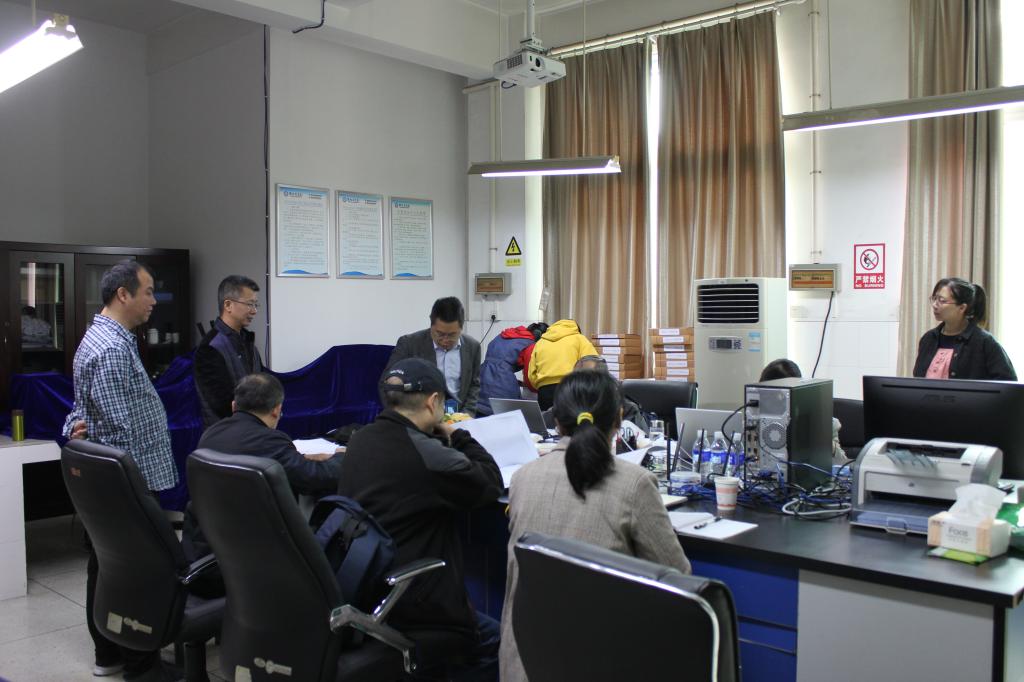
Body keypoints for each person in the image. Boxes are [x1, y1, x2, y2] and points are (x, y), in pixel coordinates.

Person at [498, 369, 691, 682]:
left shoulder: (523, 478)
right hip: (599, 663)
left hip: (522, 663)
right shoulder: (634, 483)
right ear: (618, 419)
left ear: (557, 421)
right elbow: (678, 578)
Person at [338, 358, 503, 679]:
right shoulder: (426, 453)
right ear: (433, 402)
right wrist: (460, 437)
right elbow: (489, 482)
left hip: (367, 584)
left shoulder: (361, 439)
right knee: (495, 640)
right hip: (418, 600)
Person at [61, 260, 179, 680]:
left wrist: (75, 430)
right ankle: (139, 662)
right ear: (123, 294)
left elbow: (81, 413)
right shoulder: (111, 349)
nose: (154, 301)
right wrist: (132, 498)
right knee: (134, 568)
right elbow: (115, 435)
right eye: (148, 292)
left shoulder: (103, 338)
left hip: (111, 483)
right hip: (126, 483)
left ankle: (108, 652)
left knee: (108, 563)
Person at [183, 373, 342, 597]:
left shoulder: (211, 434)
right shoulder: (270, 441)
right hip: (247, 563)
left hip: (205, 550)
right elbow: (316, 478)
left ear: (234, 406)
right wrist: (344, 455)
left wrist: (303, 458)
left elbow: (265, 456)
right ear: (277, 410)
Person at [384, 296, 482, 415]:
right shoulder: (409, 344)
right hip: (418, 415)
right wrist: (401, 416)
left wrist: (466, 415)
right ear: (431, 324)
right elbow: (387, 383)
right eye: (439, 333)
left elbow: (474, 386)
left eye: (452, 335)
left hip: (458, 416)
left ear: (461, 328)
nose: (445, 340)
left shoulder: (473, 347)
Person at [912, 277, 1016, 381]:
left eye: (942, 301)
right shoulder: (928, 339)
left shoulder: (984, 342)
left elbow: (1007, 382)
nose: (935, 305)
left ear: (962, 307)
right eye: (934, 298)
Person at [194, 275, 264, 427]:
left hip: (251, 428)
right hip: (226, 433)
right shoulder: (210, 347)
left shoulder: (248, 341)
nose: (254, 311)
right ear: (228, 305)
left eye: (256, 304)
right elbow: (221, 404)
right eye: (249, 304)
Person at [759, 359, 846, 464]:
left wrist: (821, 436)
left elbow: (843, 463)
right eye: (768, 396)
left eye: (780, 396)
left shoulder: (827, 424)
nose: (772, 402)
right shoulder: (754, 421)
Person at [527, 319, 598, 410]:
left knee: (547, 418)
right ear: (576, 329)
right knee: (571, 418)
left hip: (545, 391)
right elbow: (593, 363)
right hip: (571, 387)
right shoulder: (579, 338)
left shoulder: (540, 343)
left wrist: (542, 384)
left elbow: (531, 373)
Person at [476, 323, 546, 416]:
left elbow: (498, 363)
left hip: (482, 375)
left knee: (479, 412)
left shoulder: (504, 335)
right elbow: (529, 376)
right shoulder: (531, 344)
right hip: (502, 382)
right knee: (506, 415)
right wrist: (538, 388)